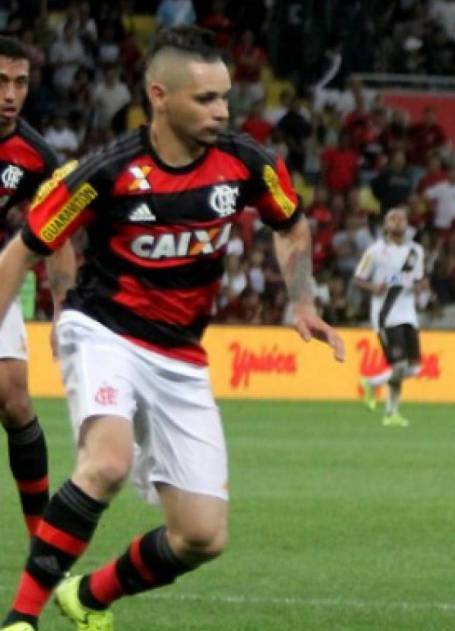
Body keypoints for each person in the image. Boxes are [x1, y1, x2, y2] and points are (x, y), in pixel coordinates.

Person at [0, 26, 344, 631]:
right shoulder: (104, 173)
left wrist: (303, 300)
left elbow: (291, 225)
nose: (223, 111)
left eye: (225, 97)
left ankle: (87, 597)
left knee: (201, 537)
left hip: (181, 354)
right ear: (160, 95)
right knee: (105, 462)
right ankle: (21, 620)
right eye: (206, 99)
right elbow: (21, 252)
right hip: (102, 327)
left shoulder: (246, 164)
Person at [0, 36, 77, 538]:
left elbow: (57, 233)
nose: (11, 93)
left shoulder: (35, 157)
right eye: (2, 81)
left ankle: (42, 543)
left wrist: (63, 311)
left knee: (14, 397)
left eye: (21, 82)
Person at [355, 206, 426, 427]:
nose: (398, 222)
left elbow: (417, 279)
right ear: (385, 225)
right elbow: (358, 279)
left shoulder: (416, 252)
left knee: (413, 368)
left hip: (409, 313)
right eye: (393, 218)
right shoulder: (375, 251)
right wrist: (373, 287)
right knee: (399, 365)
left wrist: (421, 286)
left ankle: (373, 384)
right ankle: (390, 411)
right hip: (386, 314)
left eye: (402, 218)